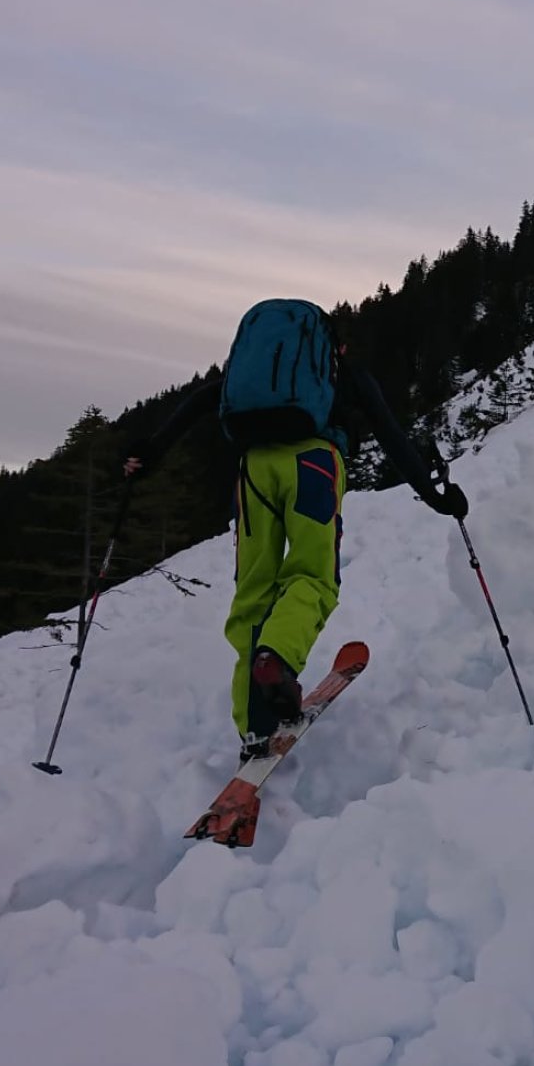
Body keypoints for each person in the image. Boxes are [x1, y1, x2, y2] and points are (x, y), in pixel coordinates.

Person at [123, 299, 466, 761]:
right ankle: (278, 657)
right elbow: (392, 437)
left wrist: (150, 451)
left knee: (254, 591)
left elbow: (200, 402)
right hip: (314, 464)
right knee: (313, 576)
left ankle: (254, 727)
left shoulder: (254, 380)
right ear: (333, 346)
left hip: (253, 469)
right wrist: (437, 497)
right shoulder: (342, 375)